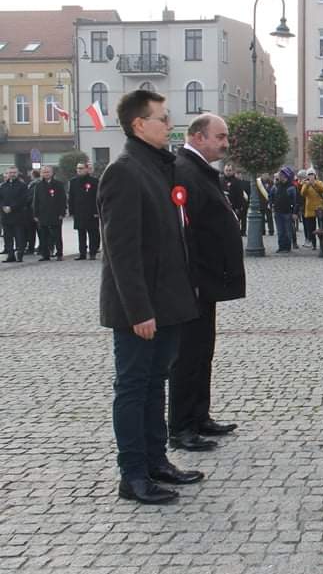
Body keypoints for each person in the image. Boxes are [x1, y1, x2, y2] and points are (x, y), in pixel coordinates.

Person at [98, 89, 203, 504]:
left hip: (167, 302)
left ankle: (157, 461)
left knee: (155, 382)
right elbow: (121, 252)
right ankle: (134, 474)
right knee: (133, 387)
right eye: (162, 118)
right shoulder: (124, 171)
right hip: (138, 309)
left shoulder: (159, 168)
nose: (169, 124)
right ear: (139, 124)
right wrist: (138, 310)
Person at [169, 113, 244, 452]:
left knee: (203, 352)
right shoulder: (184, 170)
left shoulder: (199, 170)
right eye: (220, 136)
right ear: (199, 137)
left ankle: (199, 416)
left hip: (207, 281)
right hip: (194, 282)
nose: (225, 143)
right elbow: (184, 232)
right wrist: (193, 278)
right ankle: (181, 426)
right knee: (187, 355)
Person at [32, 165, 66, 261]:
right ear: (41, 173)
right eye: (44, 172)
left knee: (57, 235)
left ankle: (59, 253)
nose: (46, 174)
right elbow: (36, 201)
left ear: (52, 173)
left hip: (55, 214)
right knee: (43, 236)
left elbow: (62, 200)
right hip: (42, 214)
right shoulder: (38, 185)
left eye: (48, 172)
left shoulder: (58, 184)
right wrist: (35, 214)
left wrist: (62, 213)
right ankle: (45, 254)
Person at [68, 161, 101, 260]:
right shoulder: (73, 181)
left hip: (91, 212)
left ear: (87, 169)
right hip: (79, 211)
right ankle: (82, 253)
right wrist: (71, 211)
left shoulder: (94, 181)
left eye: (81, 168)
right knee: (81, 233)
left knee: (93, 233)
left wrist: (97, 211)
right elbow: (71, 197)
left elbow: (98, 197)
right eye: (78, 168)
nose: (79, 170)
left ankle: (92, 252)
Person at [1, 167, 29, 262]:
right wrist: (3, 207)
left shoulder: (22, 186)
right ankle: (10, 255)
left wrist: (12, 207)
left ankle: (19, 254)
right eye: (10, 173)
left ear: (17, 173)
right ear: (7, 174)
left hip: (18, 215)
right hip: (6, 215)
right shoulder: (3, 186)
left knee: (19, 237)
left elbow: (23, 199)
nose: (12, 174)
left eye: (14, 172)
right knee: (7, 237)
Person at [269, 168, 297, 253]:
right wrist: (272, 205)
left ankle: (287, 247)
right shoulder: (276, 186)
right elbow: (271, 196)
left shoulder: (292, 187)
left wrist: (295, 213)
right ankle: (281, 246)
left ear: (286, 176)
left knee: (288, 231)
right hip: (278, 212)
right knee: (280, 231)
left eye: (281, 175)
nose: (279, 177)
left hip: (288, 212)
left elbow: (296, 201)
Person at [300, 169, 323, 252]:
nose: (311, 176)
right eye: (309, 174)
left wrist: (313, 183)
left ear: (315, 175)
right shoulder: (305, 184)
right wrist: (307, 185)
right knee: (311, 228)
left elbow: (322, 189)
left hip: (319, 208)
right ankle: (314, 244)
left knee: (321, 228)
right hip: (310, 209)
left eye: (312, 174)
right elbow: (303, 193)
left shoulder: (319, 182)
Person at [222, 163, 248, 236]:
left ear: (233, 171)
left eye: (229, 170)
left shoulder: (237, 181)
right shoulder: (220, 180)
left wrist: (238, 207)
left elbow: (240, 195)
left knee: (234, 224)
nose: (228, 172)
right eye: (226, 170)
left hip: (234, 207)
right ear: (224, 170)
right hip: (223, 207)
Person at [25, 169, 40, 255]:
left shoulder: (35, 184)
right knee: (33, 231)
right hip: (31, 211)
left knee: (35, 231)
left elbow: (30, 197)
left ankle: (33, 247)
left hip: (33, 210)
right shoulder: (33, 184)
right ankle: (33, 247)